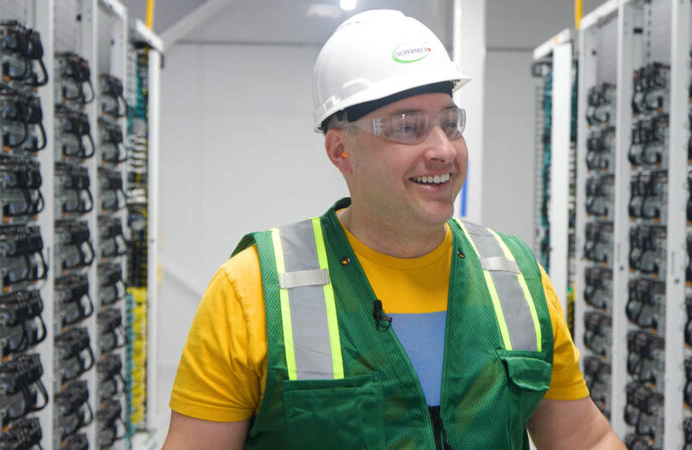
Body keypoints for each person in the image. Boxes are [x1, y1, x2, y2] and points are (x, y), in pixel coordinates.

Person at [163, 9, 624, 450]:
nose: (444, 149)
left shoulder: (515, 279)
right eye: (409, 127)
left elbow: (585, 439)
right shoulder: (252, 291)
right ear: (340, 150)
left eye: (450, 122)